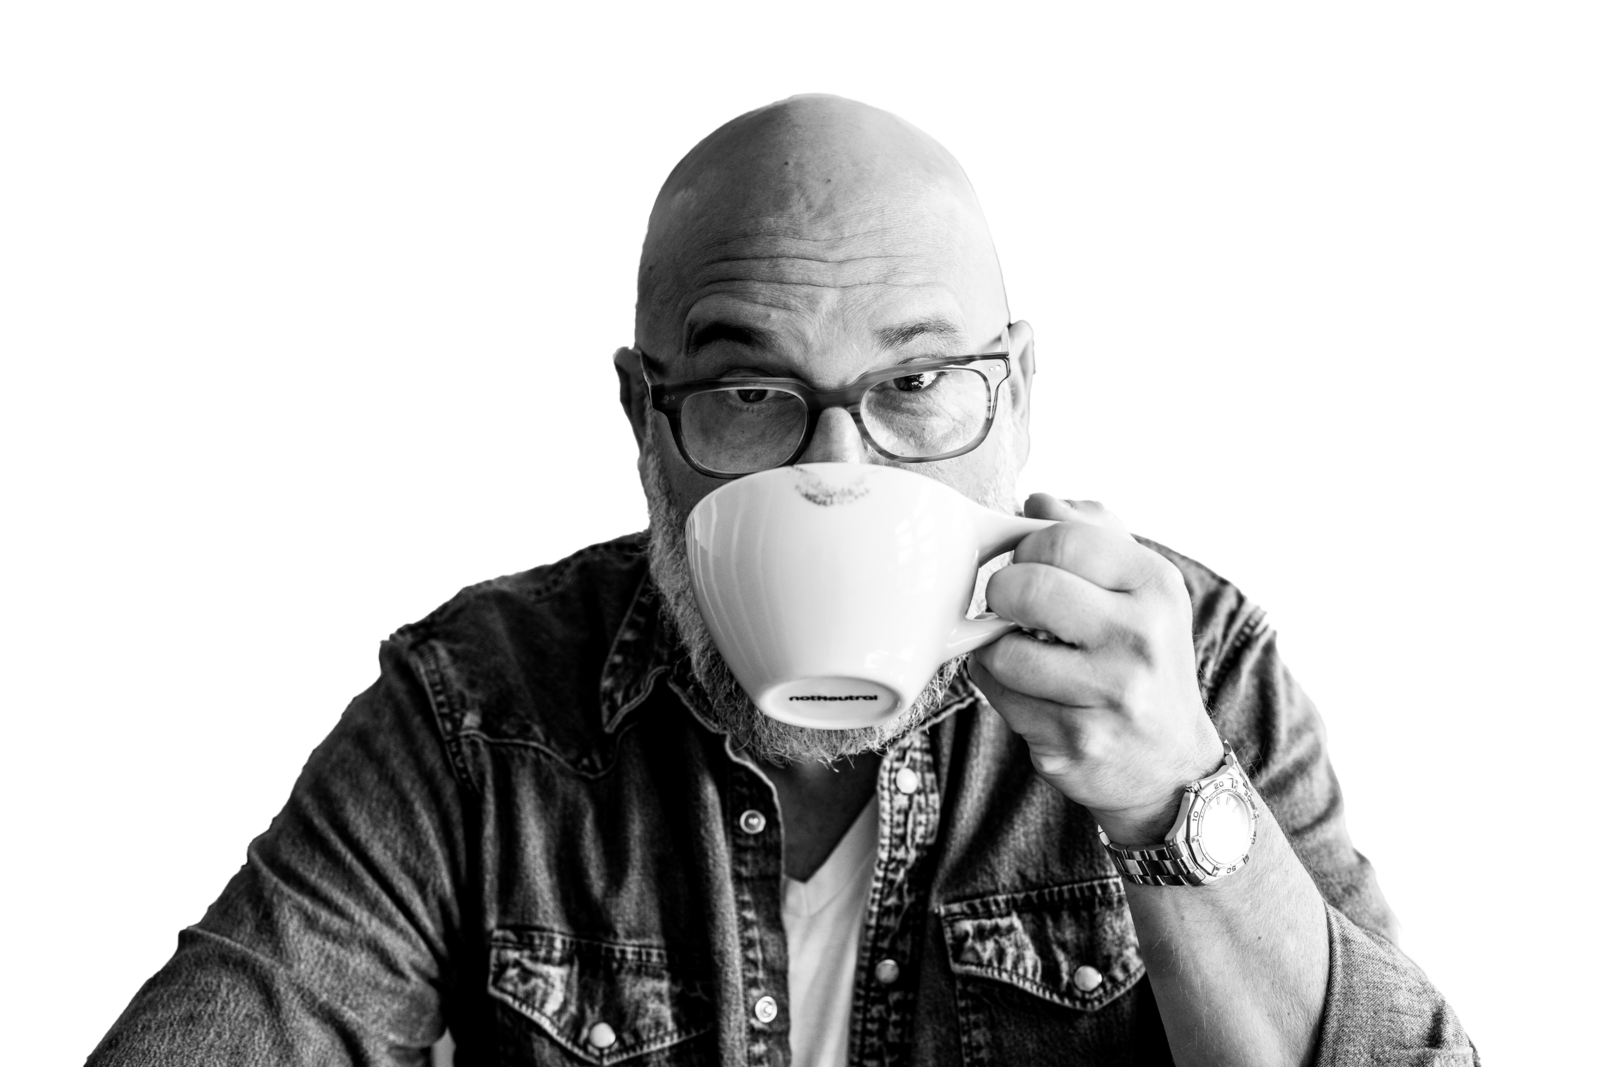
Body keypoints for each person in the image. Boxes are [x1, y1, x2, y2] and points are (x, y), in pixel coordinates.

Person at [87, 93, 1478, 1066]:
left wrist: (1174, 793)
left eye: (920, 383)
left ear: (1022, 399)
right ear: (643, 417)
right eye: (754, 391)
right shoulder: (480, 712)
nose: (844, 464)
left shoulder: (1196, 663)